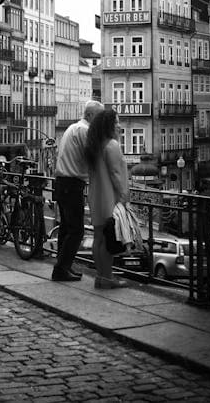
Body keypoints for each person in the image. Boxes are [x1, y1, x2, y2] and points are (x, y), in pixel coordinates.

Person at [51, 100, 104, 282]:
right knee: (76, 230)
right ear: (90, 115)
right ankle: (61, 269)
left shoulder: (73, 127)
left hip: (63, 182)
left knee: (66, 228)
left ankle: (63, 265)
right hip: (72, 183)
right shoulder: (85, 130)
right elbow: (94, 156)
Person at [85, 108, 129, 289]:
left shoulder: (95, 145)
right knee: (109, 238)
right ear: (108, 125)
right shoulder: (112, 145)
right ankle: (108, 277)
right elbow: (116, 173)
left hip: (96, 195)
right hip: (109, 196)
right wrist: (124, 196)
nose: (119, 125)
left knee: (98, 237)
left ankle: (100, 275)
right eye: (116, 122)